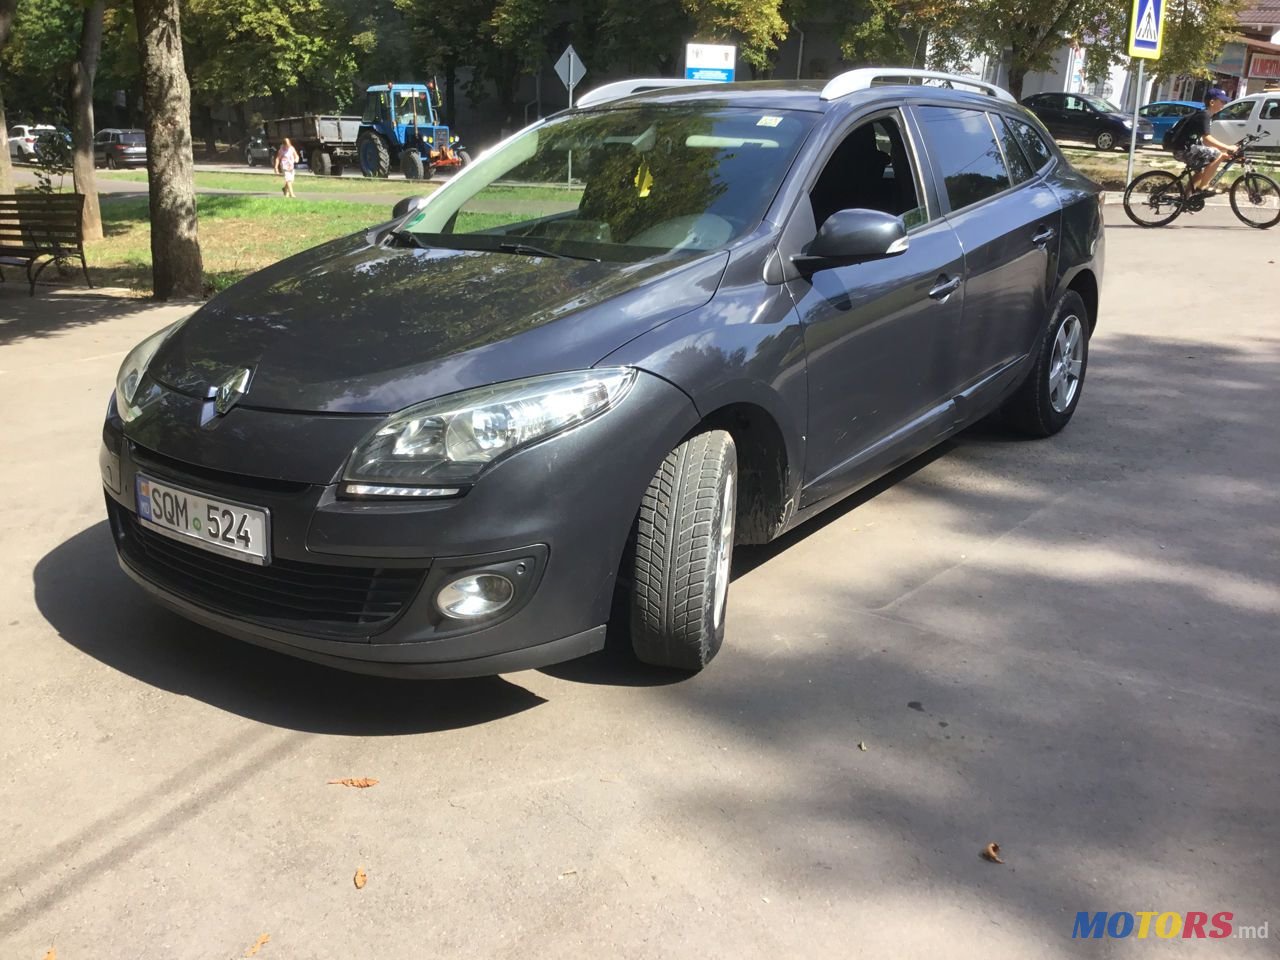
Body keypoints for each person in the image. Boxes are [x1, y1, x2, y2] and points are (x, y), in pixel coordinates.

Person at [1167, 88, 1238, 196]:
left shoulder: (1205, 115)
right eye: (1222, 101)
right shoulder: (1204, 116)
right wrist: (1228, 147)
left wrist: (1224, 150)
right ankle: (1203, 187)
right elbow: (1207, 139)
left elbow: (1203, 141)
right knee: (1217, 154)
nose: (1224, 104)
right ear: (1212, 102)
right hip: (1183, 150)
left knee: (1200, 173)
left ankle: (1186, 199)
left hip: (1184, 148)